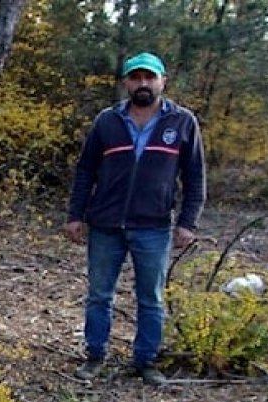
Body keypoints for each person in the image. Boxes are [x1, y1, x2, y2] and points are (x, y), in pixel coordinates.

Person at [64, 51, 206, 384]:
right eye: (136, 77)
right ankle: (94, 355)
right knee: (100, 294)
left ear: (162, 81)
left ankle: (145, 361)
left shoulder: (182, 121)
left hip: (154, 225)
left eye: (150, 77)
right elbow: (86, 171)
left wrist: (188, 222)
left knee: (151, 298)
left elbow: (195, 175)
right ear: (127, 82)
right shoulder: (107, 121)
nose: (143, 83)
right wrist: (75, 214)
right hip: (105, 224)